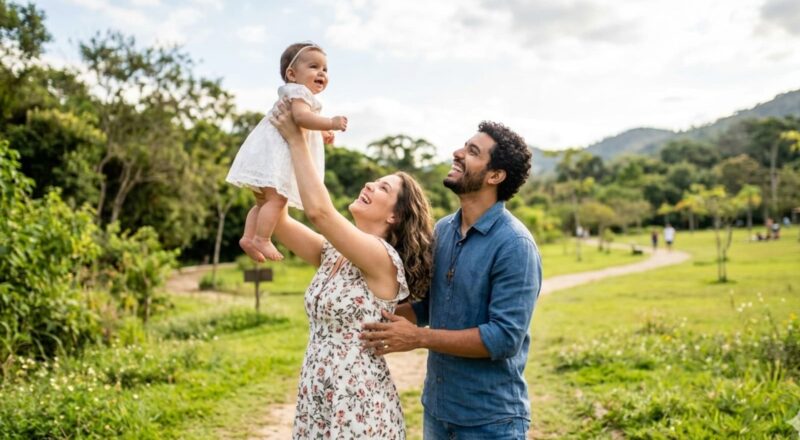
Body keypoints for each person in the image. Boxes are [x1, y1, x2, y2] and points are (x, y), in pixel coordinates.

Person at [361, 122, 542, 439]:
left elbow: (503, 338)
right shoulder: (443, 230)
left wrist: (418, 338)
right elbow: (430, 305)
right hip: (438, 411)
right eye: (464, 146)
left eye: (473, 152)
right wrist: (366, 312)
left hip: (490, 421)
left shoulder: (515, 245)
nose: (457, 153)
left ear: (495, 176)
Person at [269, 100, 434, 439]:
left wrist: (298, 139)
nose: (370, 185)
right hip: (318, 391)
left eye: (384, 188)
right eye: (375, 181)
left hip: (357, 402)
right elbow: (278, 220)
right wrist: (301, 141)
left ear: (395, 216)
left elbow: (320, 212)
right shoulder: (334, 253)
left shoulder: (381, 258)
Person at [226, 42, 348, 262]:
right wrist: (330, 122)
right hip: (275, 158)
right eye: (314, 66)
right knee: (277, 201)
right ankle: (261, 238)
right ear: (292, 74)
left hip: (265, 156)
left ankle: (248, 237)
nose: (321, 72)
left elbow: (301, 122)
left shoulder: (296, 95)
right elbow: (301, 118)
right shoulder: (300, 93)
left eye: (325, 69)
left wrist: (321, 133)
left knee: (263, 202)